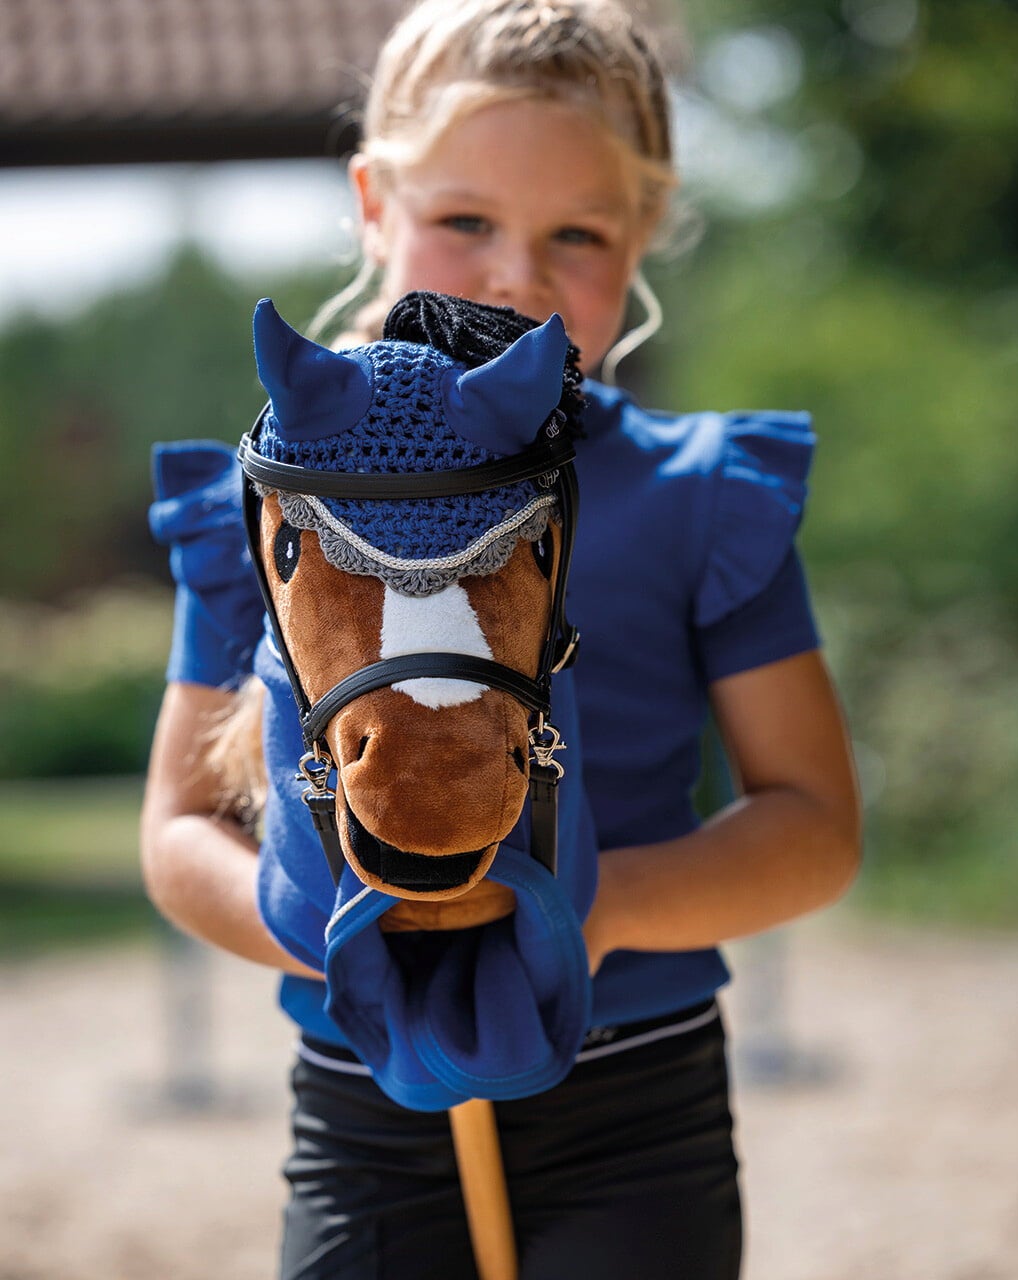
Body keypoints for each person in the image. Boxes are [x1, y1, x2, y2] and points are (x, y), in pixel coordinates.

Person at [141, 1, 862, 1277]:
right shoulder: (279, 503)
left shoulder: (701, 494)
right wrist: (333, 916)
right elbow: (177, 828)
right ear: (374, 204)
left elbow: (814, 824)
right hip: (365, 1096)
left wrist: (591, 908)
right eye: (465, 220)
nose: (515, 278)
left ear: (643, 234)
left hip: (634, 1101)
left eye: (576, 234)